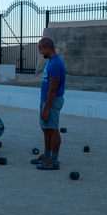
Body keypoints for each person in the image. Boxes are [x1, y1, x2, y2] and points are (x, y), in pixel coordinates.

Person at [31, 37, 66, 170]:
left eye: (41, 49)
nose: (40, 52)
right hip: (46, 100)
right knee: (45, 128)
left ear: (47, 48)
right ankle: (46, 156)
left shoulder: (56, 63)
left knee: (53, 129)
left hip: (52, 101)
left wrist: (46, 109)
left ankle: (54, 160)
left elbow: (53, 89)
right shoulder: (51, 62)